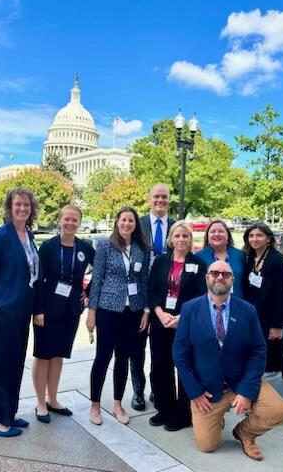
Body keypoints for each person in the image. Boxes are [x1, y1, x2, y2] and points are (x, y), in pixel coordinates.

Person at [173, 260, 283, 460]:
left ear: (232, 280)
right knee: (207, 446)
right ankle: (217, 418)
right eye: (215, 273)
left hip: (240, 381)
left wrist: (246, 391)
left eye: (225, 274)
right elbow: (180, 353)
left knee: (280, 412)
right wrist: (195, 392)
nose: (220, 277)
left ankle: (245, 433)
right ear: (207, 277)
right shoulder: (190, 308)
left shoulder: (247, 310)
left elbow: (258, 350)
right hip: (207, 390)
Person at [0, 186, 41, 437]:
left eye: (26, 205)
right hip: (2, 311)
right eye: (18, 205)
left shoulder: (28, 235)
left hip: (21, 313)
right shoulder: (1, 236)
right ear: (9, 208)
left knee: (14, 364)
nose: (23, 209)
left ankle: (8, 414)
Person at [86, 206, 151, 425]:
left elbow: (143, 282)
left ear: (135, 224)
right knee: (103, 357)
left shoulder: (142, 248)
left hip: (132, 311)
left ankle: (117, 403)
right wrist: (91, 312)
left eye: (131, 220)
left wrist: (146, 310)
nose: (127, 224)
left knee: (123, 358)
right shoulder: (105, 246)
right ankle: (95, 405)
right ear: (117, 222)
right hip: (108, 309)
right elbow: (96, 280)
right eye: (123, 220)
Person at [32, 204, 95, 423]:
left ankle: (53, 399)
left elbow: (101, 270)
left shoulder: (85, 248)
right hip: (48, 308)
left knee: (58, 354)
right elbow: (38, 279)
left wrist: (87, 292)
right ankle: (40, 402)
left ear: (79, 222)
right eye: (66, 219)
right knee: (43, 355)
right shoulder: (48, 247)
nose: (70, 223)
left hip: (71, 309)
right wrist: (37, 309)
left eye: (74, 220)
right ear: (59, 221)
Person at [148, 220, 206, 431]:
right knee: (160, 366)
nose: (181, 239)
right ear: (170, 239)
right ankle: (164, 408)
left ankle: (183, 413)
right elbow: (152, 290)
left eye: (185, 236)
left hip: (185, 324)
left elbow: (202, 295)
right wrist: (160, 313)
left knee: (183, 367)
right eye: (177, 236)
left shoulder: (199, 264)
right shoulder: (160, 262)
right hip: (160, 322)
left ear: (190, 240)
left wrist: (181, 317)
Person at [131, 183, 175, 412]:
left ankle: (158, 389)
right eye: (156, 196)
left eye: (164, 197)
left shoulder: (176, 226)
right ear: (149, 199)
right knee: (136, 348)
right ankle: (138, 391)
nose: (160, 201)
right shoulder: (137, 224)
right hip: (138, 294)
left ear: (169, 200)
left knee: (160, 349)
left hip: (166, 297)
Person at [241, 222, 283, 373]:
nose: (254, 239)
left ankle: (272, 395)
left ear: (268, 239)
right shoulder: (249, 258)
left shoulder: (277, 261)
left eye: (259, 235)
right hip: (252, 317)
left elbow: (281, 294)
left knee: (269, 360)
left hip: (269, 320)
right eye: (251, 236)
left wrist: (278, 326)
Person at [194, 220, 246, 298]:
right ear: (207, 236)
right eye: (213, 231)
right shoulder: (198, 257)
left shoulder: (239, 255)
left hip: (237, 303)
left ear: (228, 235)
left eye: (221, 231)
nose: (217, 234)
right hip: (208, 304)